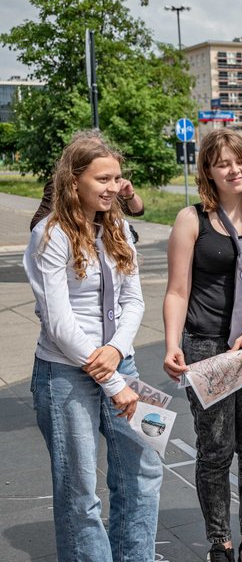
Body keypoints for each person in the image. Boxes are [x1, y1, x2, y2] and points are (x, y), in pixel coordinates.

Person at [23, 130, 162, 561]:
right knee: (79, 490)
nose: (113, 188)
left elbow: (134, 299)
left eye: (116, 178)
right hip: (65, 373)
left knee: (143, 470)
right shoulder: (51, 235)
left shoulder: (118, 226)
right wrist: (112, 379)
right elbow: (59, 322)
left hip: (121, 364)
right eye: (102, 179)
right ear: (74, 181)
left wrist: (118, 351)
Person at [162, 128, 242, 562]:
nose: (233, 170)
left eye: (239, 161)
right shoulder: (191, 219)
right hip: (208, 349)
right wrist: (171, 343)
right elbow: (178, 290)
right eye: (222, 164)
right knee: (215, 450)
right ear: (208, 173)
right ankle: (220, 540)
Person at [31, 172, 145, 230]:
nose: (113, 188)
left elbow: (138, 211)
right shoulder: (59, 185)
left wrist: (130, 195)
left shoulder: (121, 228)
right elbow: (38, 225)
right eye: (103, 179)